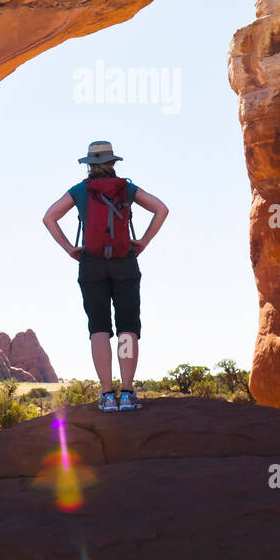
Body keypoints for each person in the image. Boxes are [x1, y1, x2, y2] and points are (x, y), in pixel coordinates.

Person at [42, 140, 168, 412]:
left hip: (91, 263)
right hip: (125, 262)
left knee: (98, 328)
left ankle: (107, 396)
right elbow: (161, 208)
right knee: (127, 328)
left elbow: (49, 217)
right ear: (113, 163)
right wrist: (143, 241)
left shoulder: (79, 191)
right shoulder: (127, 188)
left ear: (89, 165)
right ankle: (127, 393)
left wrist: (69, 249)